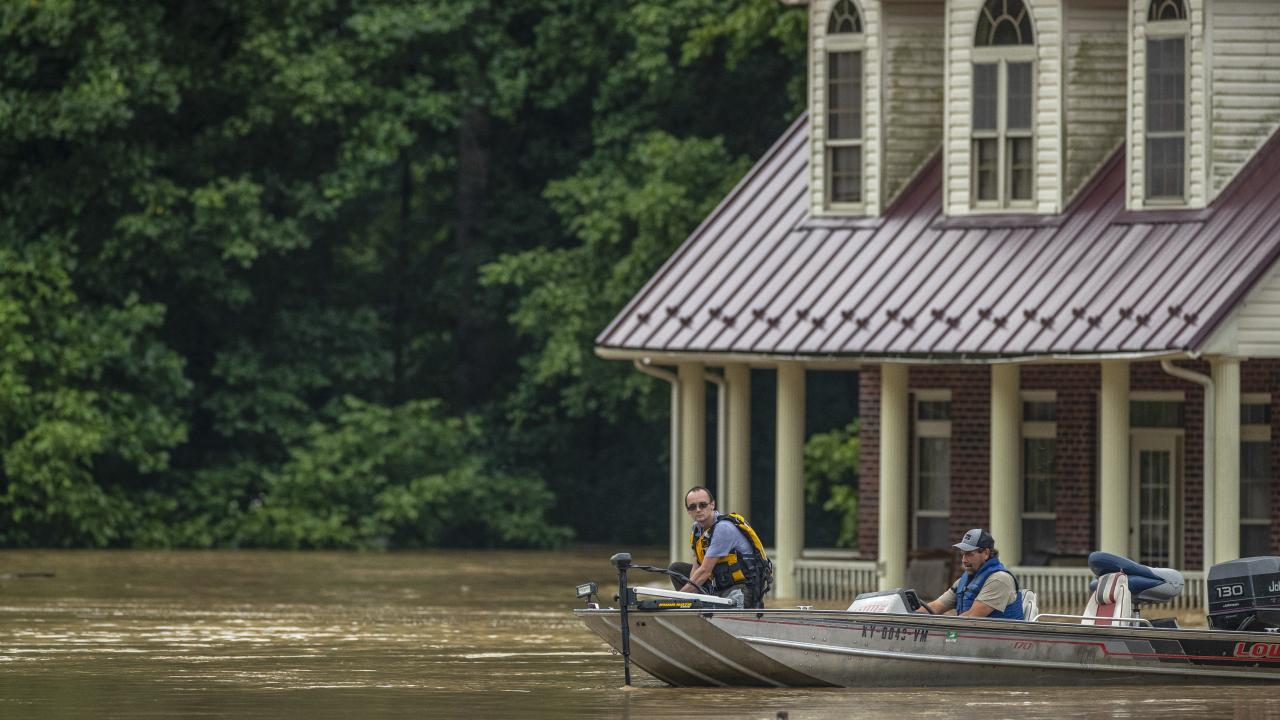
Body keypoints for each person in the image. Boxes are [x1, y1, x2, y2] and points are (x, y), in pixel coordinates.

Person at [667, 486, 772, 609]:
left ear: (712, 505)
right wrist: (684, 597)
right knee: (676, 569)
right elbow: (696, 569)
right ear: (688, 511)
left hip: (742, 588)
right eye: (692, 507)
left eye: (703, 505)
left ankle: (694, 607)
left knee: (689, 589)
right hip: (717, 586)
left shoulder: (723, 528)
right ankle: (693, 609)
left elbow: (705, 571)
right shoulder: (697, 529)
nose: (698, 510)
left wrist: (676, 600)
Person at [918, 528, 1025, 619]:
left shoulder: (1000, 579)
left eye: (969, 554)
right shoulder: (963, 581)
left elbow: (972, 617)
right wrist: (909, 616)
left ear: (986, 553)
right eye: (963, 554)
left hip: (1004, 641)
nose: (964, 560)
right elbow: (936, 606)